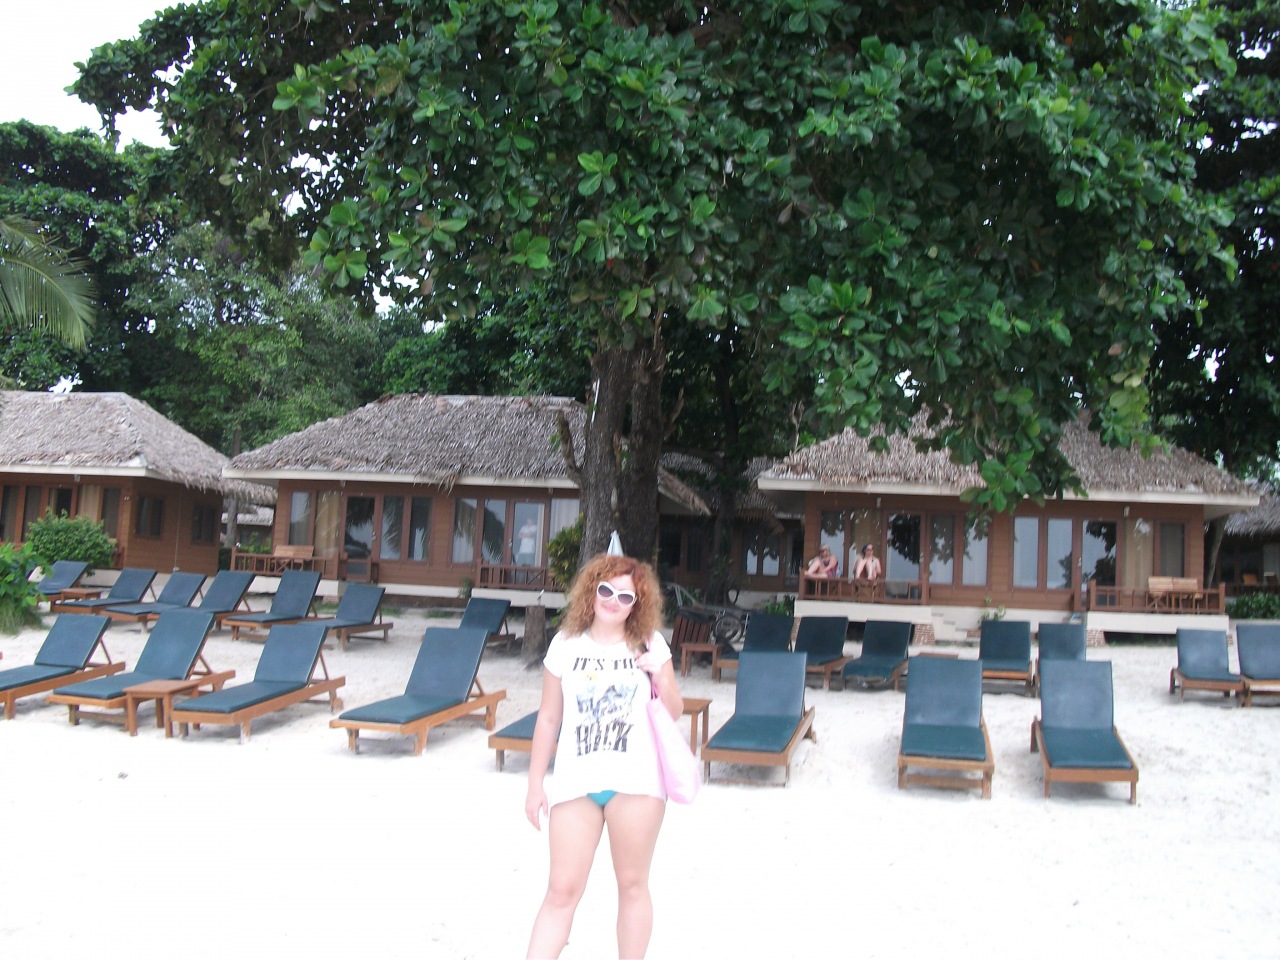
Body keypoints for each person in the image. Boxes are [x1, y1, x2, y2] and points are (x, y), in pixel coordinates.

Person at [525, 552, 683, 960]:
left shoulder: (651, 643)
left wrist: (661, 675)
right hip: (577, 780)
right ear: (591, 591)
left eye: (625, 597)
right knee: (561, 889)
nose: (613, 601)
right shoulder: (565, 645)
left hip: (637, 783)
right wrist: (535, 784)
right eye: (606, 590)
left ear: (637, 605)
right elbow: (548, 717)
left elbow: (674, 710)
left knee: (632, 885)